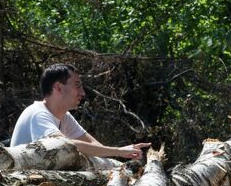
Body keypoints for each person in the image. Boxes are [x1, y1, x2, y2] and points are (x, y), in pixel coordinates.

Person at [10, 63, 151, 159]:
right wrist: (119, 151)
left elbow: (96, 147)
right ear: (58, 87)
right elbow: (64, 145)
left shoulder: (65, 116)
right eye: (77, 86)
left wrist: (123, 154)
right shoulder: (38, 113)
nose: (82, 93)